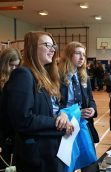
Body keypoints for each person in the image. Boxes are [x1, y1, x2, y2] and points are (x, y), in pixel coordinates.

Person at [0, 31, 74, 172]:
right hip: (36, 157)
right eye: (47, 45)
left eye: (54, 46)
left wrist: (62, 115)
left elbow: (51, 109)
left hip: (50, 151)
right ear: (32, 48)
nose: (53, 49)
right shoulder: (23, 75)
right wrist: (57, 123)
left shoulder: (44, 76)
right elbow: (23, 119)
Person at [58, 41, 98, 171]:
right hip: (66, 125)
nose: (82, 58)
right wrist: (73, 113)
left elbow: (90, 99)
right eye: (78, 53)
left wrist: (92, 109)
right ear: (69, 55)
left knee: (90, 161)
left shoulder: (84, 76)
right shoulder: (57, 77)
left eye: (84, 54)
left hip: (82, 124)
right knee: (68, 163)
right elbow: (54, 105)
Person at [0, 48, 22, 169]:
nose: (14, 69)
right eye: (11, 65)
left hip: (13, 134)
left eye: (16, 66)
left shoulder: (17, 79)